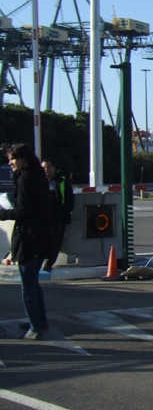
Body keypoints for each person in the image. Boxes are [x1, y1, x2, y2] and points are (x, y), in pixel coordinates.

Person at [0, 143, 52, 340]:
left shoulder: (26, 179)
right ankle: (39, 321)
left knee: (28, 285)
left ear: (23, 159)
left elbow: (23, 211)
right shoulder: (38, 177)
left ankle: (36, 326)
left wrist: (3, 214)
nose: (10, 163)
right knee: (33, 284)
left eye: (12, 159)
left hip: (29, 238)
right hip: (41, 236)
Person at [41, 158, 73, 272]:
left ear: (54, 168)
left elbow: (69, 200)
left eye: (48, 167)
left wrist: (65, 213)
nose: (46, 170)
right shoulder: (38, 181)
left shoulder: (62, 182)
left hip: (58, 219)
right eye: (43, 167)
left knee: (55, 243)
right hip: (42, 219)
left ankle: (48, 265)